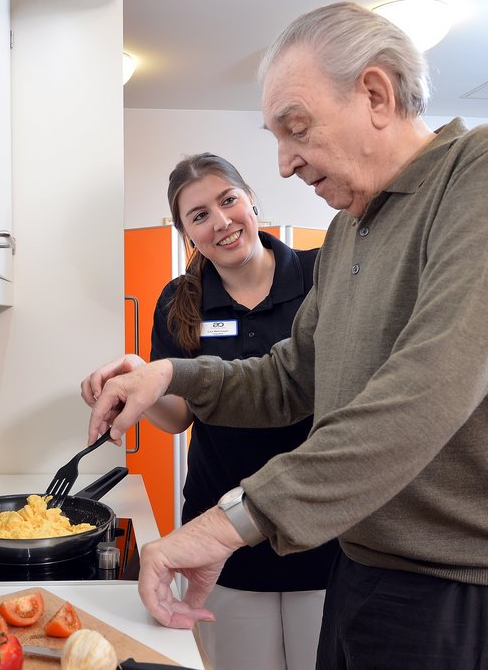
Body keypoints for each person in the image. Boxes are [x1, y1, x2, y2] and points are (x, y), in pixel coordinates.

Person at [85, 2, 488, 669]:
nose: (286, 164)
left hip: (469, 578)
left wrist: (222, 526)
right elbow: (292, 375)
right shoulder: (351, 226)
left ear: (376, 94)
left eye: (296, 129)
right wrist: (167, 375)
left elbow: (425, 392)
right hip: (363, 557)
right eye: (275, 138)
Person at [83, 153, 338, 670]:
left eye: (228, 201)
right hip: (220, 531)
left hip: (320, 523)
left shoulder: (320, 275)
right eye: (199, 215)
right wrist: (142, 379)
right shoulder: (180, 300)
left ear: (251, 201)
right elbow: (178, 416)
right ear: (185, 234)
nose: (221, 222)